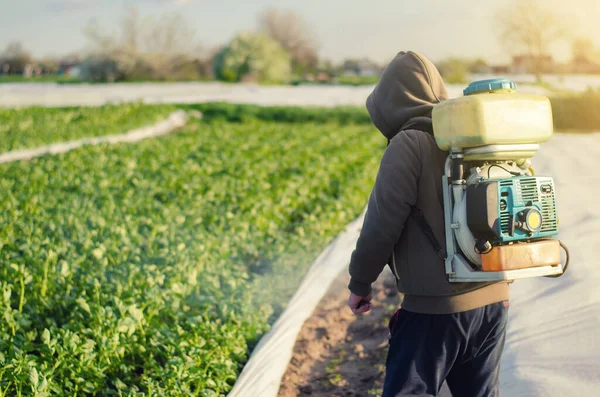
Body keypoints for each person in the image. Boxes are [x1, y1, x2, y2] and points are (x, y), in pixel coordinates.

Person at [346, 51, 510, 397]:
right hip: (493, 301)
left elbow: (381, 223)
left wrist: (361, 281)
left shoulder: (410, 143)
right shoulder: (473, 138)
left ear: (391, 102)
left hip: (435, 310)